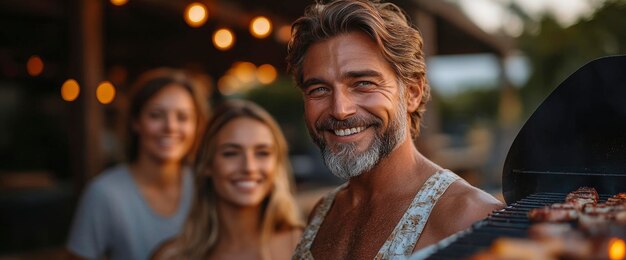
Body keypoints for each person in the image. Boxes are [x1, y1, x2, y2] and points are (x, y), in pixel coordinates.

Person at [286, 0, 505, 259]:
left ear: (412, 93)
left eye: (363, 83)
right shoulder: (322, 212)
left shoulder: (472, 217)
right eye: (318, 89)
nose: (340, 110)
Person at [66, 68, 210, 260]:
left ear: (197, 127)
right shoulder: (104, 194)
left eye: (183, 117)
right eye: (156, 115)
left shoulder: (206, 187)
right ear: (135, 121)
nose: (170, 127)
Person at [151, 99, 304, 260]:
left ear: (277, 164)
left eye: (262, 153)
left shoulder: (305, 244)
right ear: (207, 165)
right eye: (231, 153)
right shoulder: (171, 256)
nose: (249, 167)